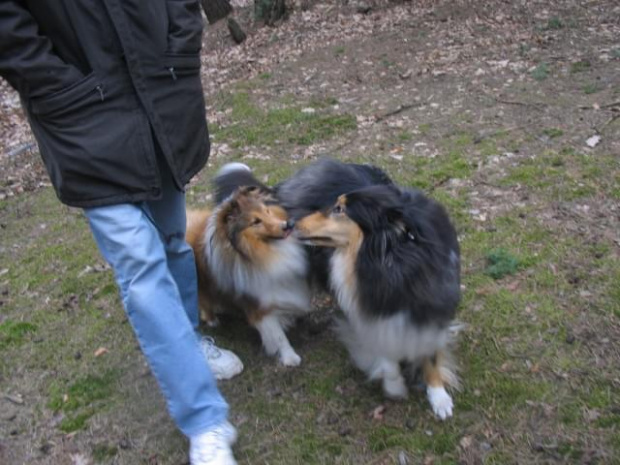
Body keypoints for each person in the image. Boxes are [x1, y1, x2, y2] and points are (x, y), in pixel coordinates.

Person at [0, 1, 243, 464]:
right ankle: (205, 420)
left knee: (172, 240)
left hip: (160, 96)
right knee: (140, 265)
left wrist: (179, 44)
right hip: (80, 117)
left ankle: (188, 339)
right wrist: (60, 85)